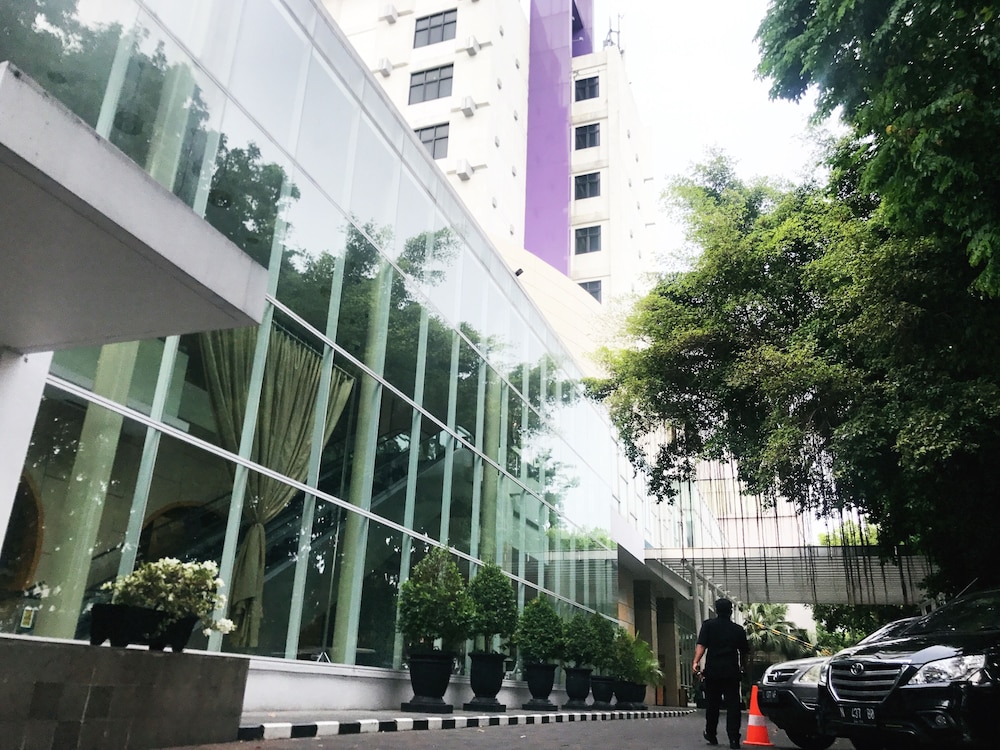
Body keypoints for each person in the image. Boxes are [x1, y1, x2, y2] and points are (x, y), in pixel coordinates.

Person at [692, 598, 749, 749]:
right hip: (731, 672)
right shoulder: (738, 630)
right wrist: (743, 667)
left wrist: (695, 662)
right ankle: (734, 738)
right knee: (733, 706)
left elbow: (701, 645)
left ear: (716, 610)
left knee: (712, 704)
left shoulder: (708, 625)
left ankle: (711, 733)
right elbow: (744, 652)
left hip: (713, 671)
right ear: (730, 611)